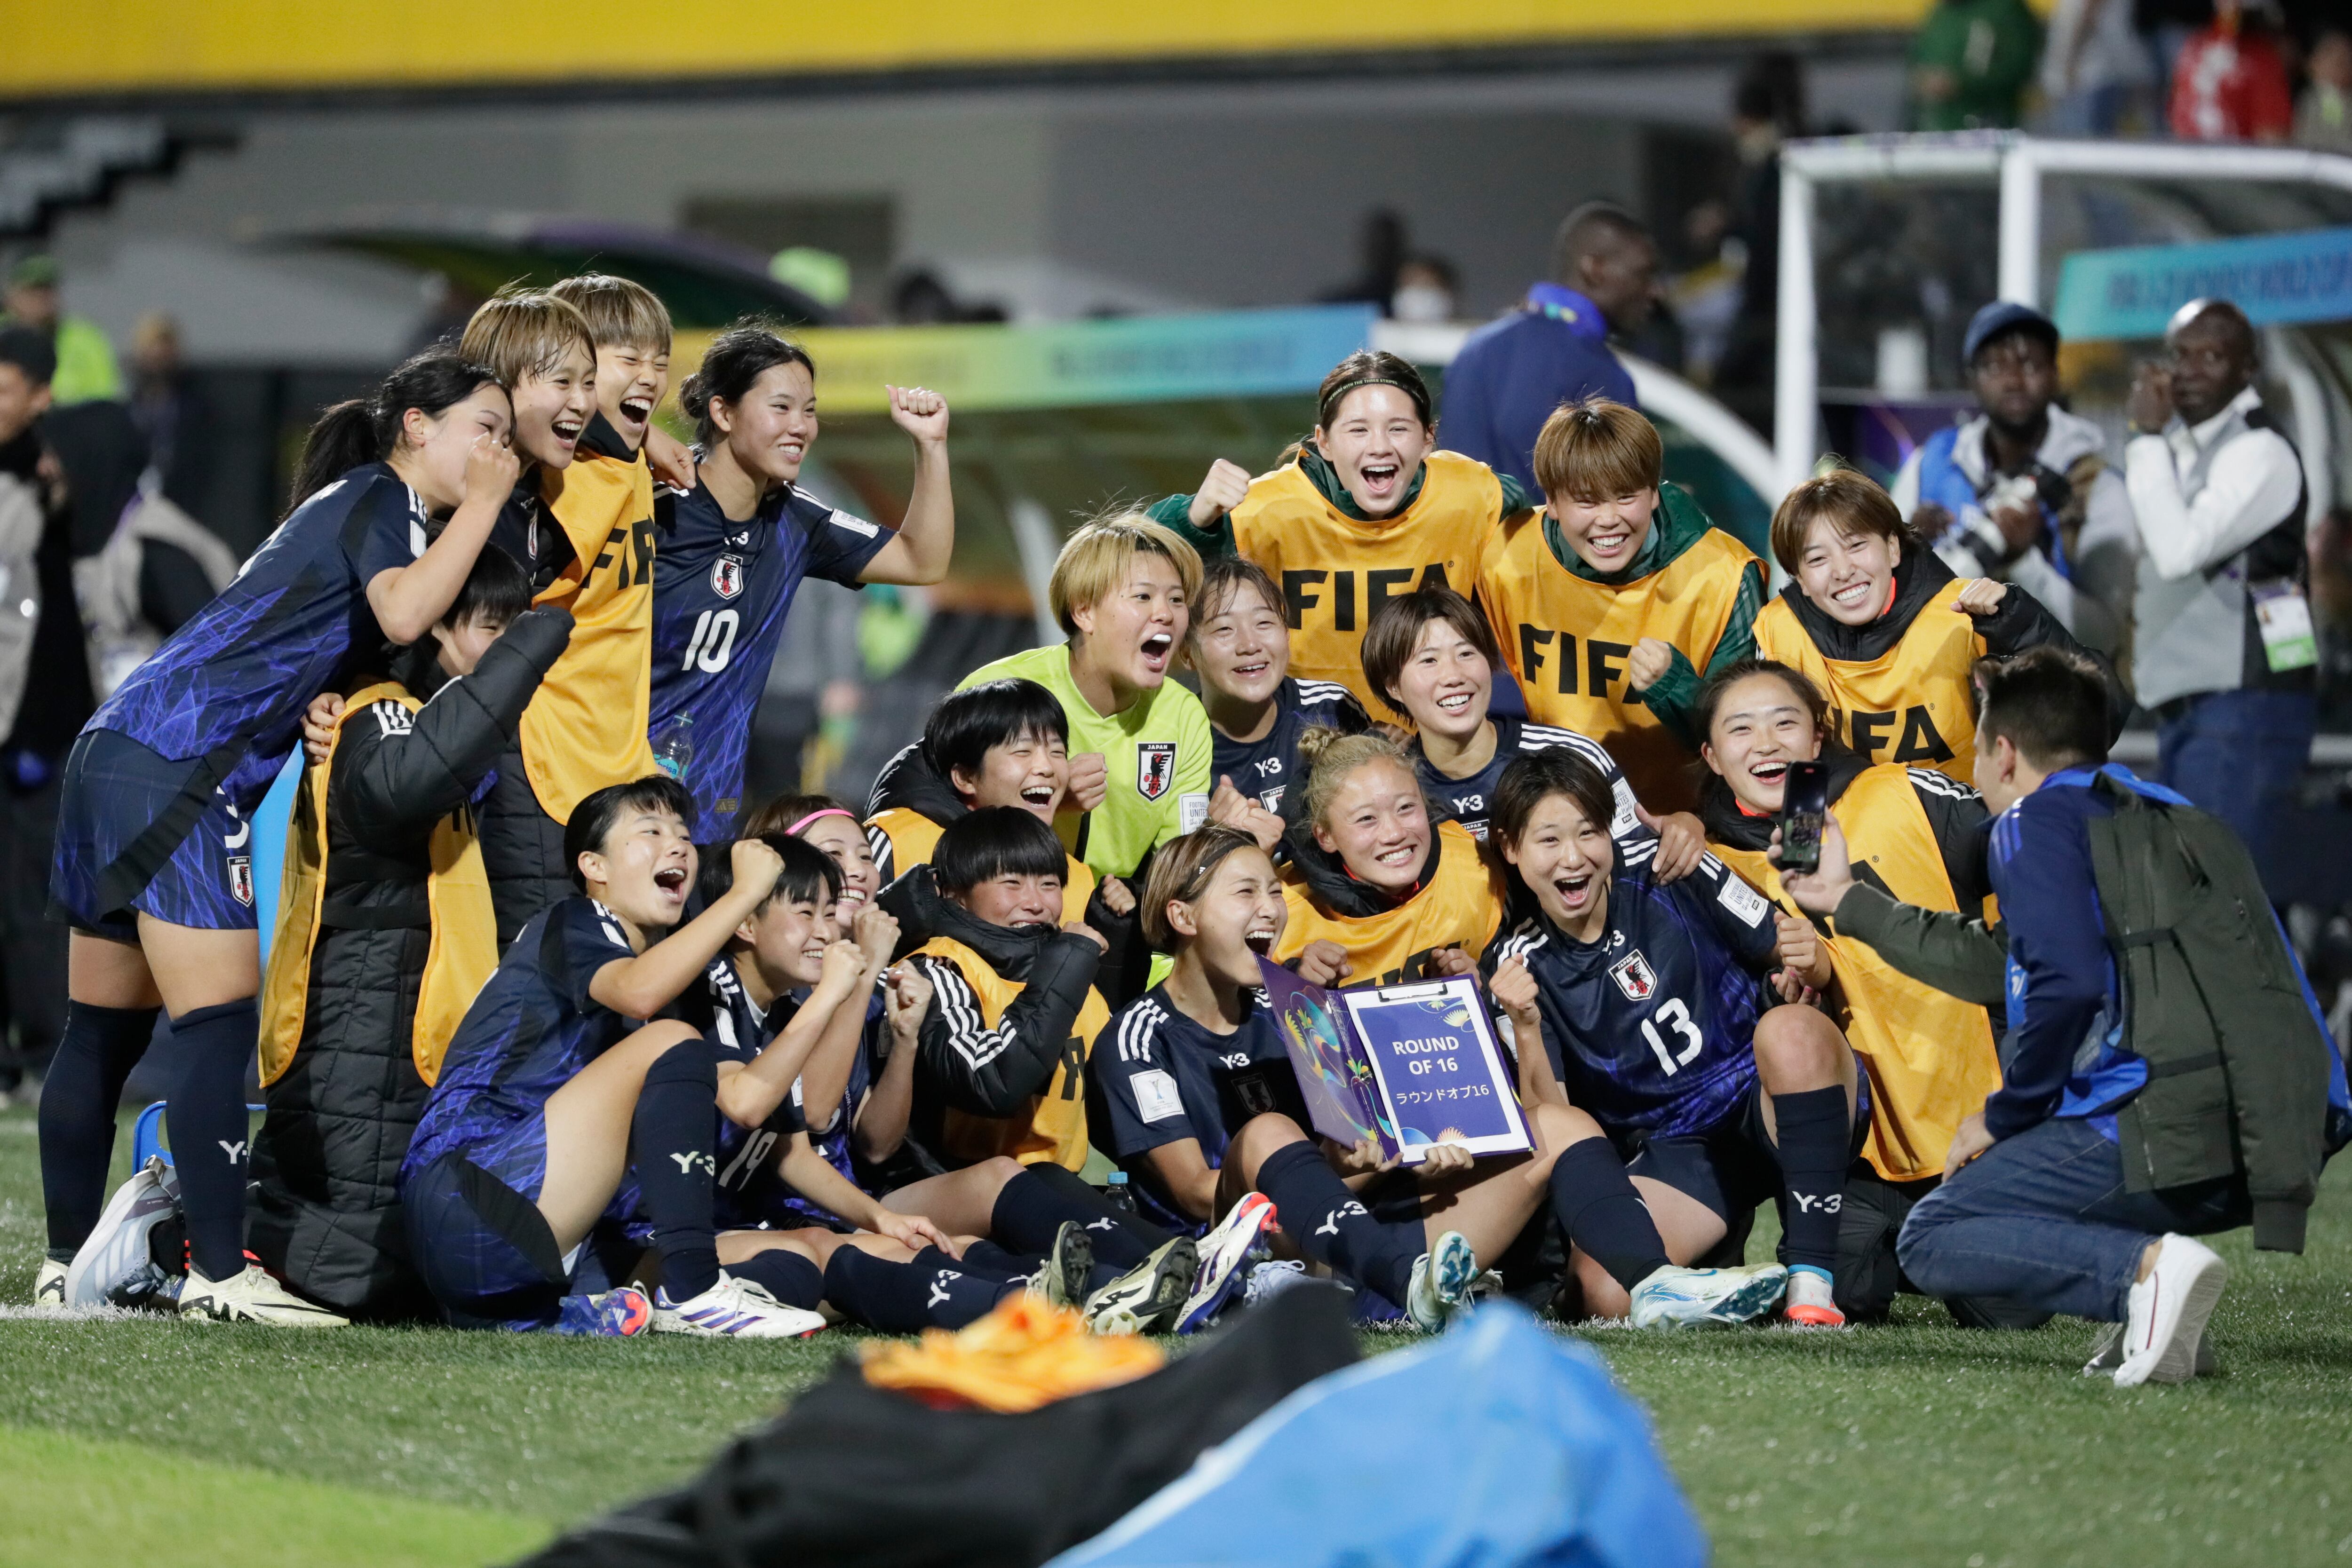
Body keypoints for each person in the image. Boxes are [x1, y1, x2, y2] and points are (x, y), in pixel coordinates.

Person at [35, 351, 516, 1320]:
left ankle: (63, 1269)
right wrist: (487, 502)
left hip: (120, 747)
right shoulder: (384, 495)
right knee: (215, 1029)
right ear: (417, 427)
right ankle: (221, 1274)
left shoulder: (352, 506)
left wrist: (326, 697)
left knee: (102, 1031)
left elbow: (323, 635)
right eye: (486, 427)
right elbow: (404, 610)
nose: (498, 449)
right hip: (182, 761)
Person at [1782, 647, 2347, 1384]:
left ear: (2005, 753)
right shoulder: (2167, 811)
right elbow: (2002, 962)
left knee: (1937, 1231)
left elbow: (2067, 984)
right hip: (2293, 1119)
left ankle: (2145, 1275)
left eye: (1978, 751)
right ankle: (2159, 1313)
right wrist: (1847, 901)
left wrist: (2008, 1113)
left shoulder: (2033, 820)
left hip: (2180, 1121)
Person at [1092, 824, 1789, 1330]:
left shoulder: (1298, 1012)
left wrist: (1416, 1156)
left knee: (1557, 1124)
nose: (1270, 910)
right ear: (1182, 915)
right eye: (1245, 893)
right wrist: (1352, 1164)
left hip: (1353, 1244)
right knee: (1268, 1131)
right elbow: (1197, 1193)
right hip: (1242, 1258)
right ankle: (1402, 1283)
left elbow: (1357, 1152)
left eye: (1274, 892)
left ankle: (1652, 1283)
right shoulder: (1138, 1034)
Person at [687, 831, 1208, 1335]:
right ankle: (1044, 1305)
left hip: (831, 1200)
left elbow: (864, 1143)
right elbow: (808, 1114)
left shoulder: (799, 998)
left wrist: (904, 1039)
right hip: (732, 1225)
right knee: (838, 1249)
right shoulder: (740, 992)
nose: (826, 926)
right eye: (808, 912)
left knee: (971, 1210)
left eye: (830, 908)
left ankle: (1139, 1283)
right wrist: (854, 981)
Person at [249, 547, 570, 1322]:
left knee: (410, 1270)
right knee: (353, 1271)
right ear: (433, 627)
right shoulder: (381, 713)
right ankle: (170, 1228)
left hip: (405, 1024)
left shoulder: (425, 716)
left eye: (515, 628)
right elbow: (406, 784)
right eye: (492, 628)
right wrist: (541, 635)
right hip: (362, 1020)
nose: (504, 650)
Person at [402, 776, 825, 1336]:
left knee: (794, 1266)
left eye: (683, 835)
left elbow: (743, 1098)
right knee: (672, 1042)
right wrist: (745, 893)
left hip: (536, 1244)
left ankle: (592, 1310)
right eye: (650, 832)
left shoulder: (666, 968)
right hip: (471, 1198)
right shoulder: (576, 920)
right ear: (593, 866)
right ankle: (694, 1292)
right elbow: (638, 993)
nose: (677, 846)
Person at [1483, 746, 1861, 1327]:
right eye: (1548, 840)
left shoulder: (1672, 869)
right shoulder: (1514, 967)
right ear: (1510, 848)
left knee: (1790, 1032)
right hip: (1680, 1151)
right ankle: (1720, 1256)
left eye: (1587, 832)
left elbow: (1796, 959)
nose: (1573, 857)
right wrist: (1527, 1026)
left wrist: (1805, 964)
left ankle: (1810, 1284)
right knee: (1603, 1293)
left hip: (1769, 1098)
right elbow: (1553, 1124)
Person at [1693, 659, 2009, 1323]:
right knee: (1854, 1294)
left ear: (1817, 737)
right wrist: (1785, 990)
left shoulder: (1897, 793)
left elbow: (2018, 858)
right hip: (1853, 1149)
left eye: (1784, 722)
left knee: (2008, 1307)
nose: (1766, 743)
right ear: (1711, 757)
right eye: (1740, 729)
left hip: (1971, 1122)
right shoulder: (1711, 869)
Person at [649, 323, 953, 837]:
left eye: (808, 411)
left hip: (710, 811)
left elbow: (921, 561)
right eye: (781, 407)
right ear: (722, 413)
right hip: (618, 790)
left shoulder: (798, 521)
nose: (801, 427)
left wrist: (932, 447)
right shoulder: (651, 506)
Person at [1145, 352, 1535, 714]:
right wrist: (1191, 519)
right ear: (1325, 442)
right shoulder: (1262, 512)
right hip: (1303, 744)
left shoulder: (1477, 498)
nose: (1380, 446)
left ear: (1428, 439)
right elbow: (1134, 560)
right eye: (1358, 430)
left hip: (1436, 741)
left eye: (1398, 429)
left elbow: (1546, 561)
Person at [1477, 396, 1763, 811]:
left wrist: (1675, 686)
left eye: (1626, 497)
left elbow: (1749, 737)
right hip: (1563, 813)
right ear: (1552, 503)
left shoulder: (1725, 576)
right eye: (1587, 502)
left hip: (1694, 822)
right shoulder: (1505, 557)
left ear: (1654, 493)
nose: (1609, 519)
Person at [1758, 467, 2114, 786]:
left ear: (1893, 549)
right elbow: (1764, 775)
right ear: (1800, 580)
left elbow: (2101, 720)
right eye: (1818, 559)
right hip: (1835, 834)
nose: (1842, 570)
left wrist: (2022, 628)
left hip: (1971, 833)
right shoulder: (1781, 630)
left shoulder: (1971, 616)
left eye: (1856, 546)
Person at [2121, 298, 2312, 891]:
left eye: (2211, 356)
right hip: (2194, 706)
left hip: (2243, 707)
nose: (2188, 371)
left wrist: (2145, 437)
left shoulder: (2259, 451)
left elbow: (2179, 550)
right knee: (2196, 903)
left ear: (2247, 368)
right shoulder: (2188, 448)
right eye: (2179, 355)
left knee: (2225, 904)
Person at [1358, 585, 1702, 864]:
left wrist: (1686, 825)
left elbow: (1638, 875)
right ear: (1392, 686)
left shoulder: (1573, 757)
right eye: (1429, 661)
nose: (1453, 676)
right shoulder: (1390, 789)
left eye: (1466, 653)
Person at [956, 515, 1212, 887]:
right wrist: (1051, 802)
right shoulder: (998, 692)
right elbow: (938, 819)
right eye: (1143, 597)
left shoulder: (1183, 714)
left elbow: (1180, 865)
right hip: (1000, 897)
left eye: (1176, 600)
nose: (1166, 614)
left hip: (1119, 909)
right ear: (1084, 612)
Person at [1893, 301, 2137, 661]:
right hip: (1943, 683)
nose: (2013, 381)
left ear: (2055, 375)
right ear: (1972, 378)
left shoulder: (2094, 486)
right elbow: (1884, 602)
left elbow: (2104, 637)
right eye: (1995, 366)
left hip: (2049, 688)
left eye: (2030, 364)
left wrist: (2024, 560)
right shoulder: (1931, 464)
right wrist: (1906, 551)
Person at [864, 678, 1128, 931]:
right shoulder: (897, 841)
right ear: (966, 777)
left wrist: (1115, 930)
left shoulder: (1075, 878)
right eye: (1023, 751)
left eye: (1057, 752)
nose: (1047, 767)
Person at [1438, 205, 1653, 495]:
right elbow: (1615, 506)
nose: (1654, 291)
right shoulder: (1600, 371)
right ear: (1595, 269)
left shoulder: (1475, 349)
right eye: (1643, 275)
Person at [1273, 729, 1506, 991]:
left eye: (1406, 808)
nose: (1395, 834)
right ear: (1325, 836)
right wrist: (1296, 985)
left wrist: (1478, 991)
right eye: (1366, 819)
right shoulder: (1282, 913)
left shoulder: (1474, 868)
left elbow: (1507, 995)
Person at [1184, 556, 1367, 847]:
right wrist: (1219, 847)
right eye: (1224, 629)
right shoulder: (1177, 743)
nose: (1250, 645)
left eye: (1264, 623)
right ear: (1187, 653)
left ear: (1286, 633)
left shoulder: (1332, 707)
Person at [0, 254, 120, 406]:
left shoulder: (85, 337)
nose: (41, 299)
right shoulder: (3, 334)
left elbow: (106, 399)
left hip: (72, 419)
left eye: (47, 291)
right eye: (32, 291)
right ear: (10, 295)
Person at [1906, 0, 2043, 131]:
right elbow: (1918, 60)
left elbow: (2020, 65)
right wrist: (1921, 80)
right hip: (1933, 128)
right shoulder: (1939, 14)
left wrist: (1962, 82)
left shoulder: (2005, 8)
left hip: (1990, 126)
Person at [2168, 0, 2293, 143]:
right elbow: (2272, 135)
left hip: (2189, 152)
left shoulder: (2192, 47)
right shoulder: (2260, 60)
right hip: (2228, 154)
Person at [2295, 29, 2352, 151]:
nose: (2341, 61)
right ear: (2313, 63)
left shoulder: (2340, 97)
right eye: (2330, 52)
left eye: (2346, 56)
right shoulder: (2317, 100)